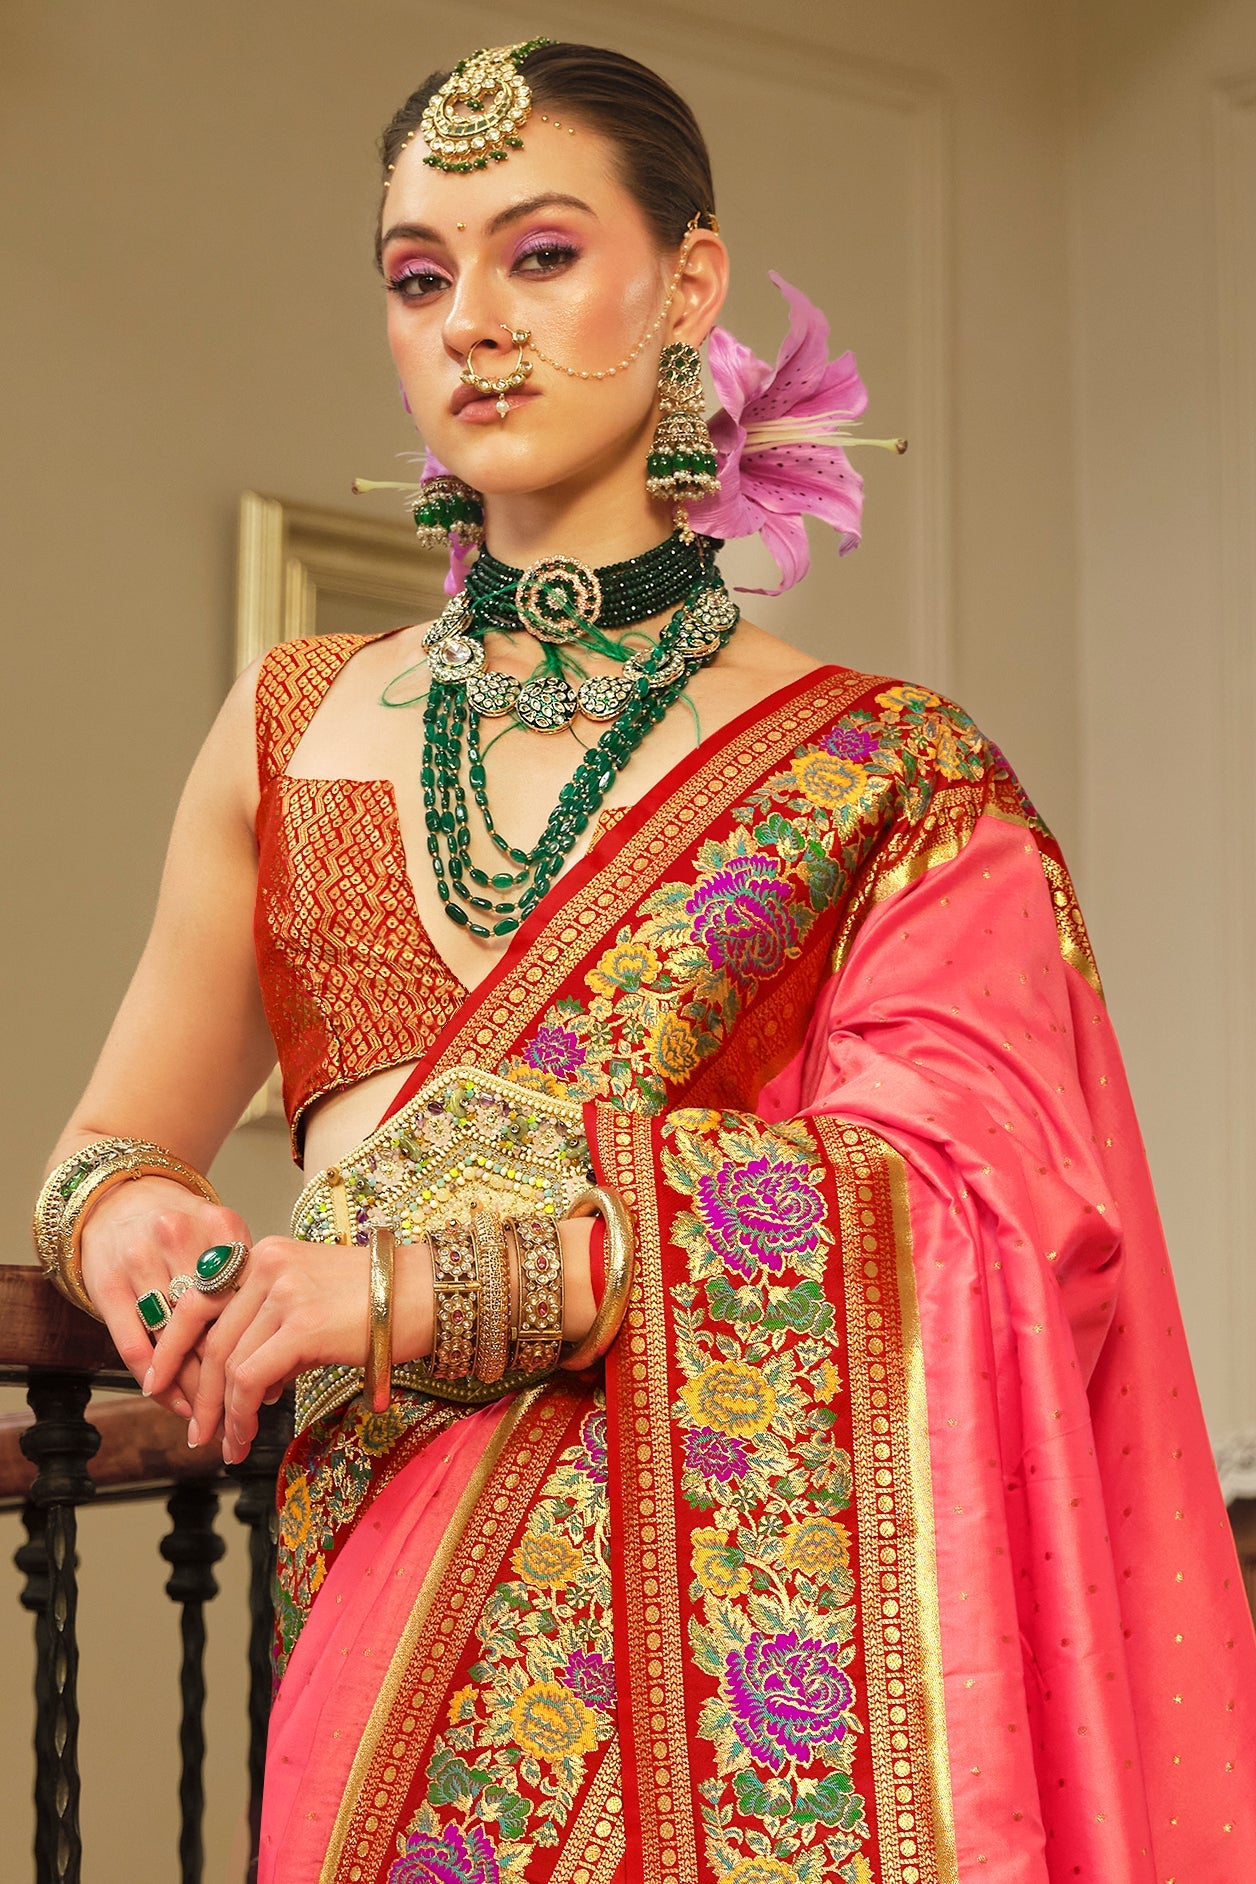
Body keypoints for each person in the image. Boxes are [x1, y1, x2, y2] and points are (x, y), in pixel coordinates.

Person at [33, 38, 1254, 1884]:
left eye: (540, 255)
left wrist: (420, 1288)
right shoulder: (291, 728)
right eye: (419, 278)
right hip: (381, 1593)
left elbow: (975, 1215)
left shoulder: (889, 774)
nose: (473, 324)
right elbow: (112, 1142)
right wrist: (135, 1224)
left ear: (689, 284)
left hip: (722, 1674)